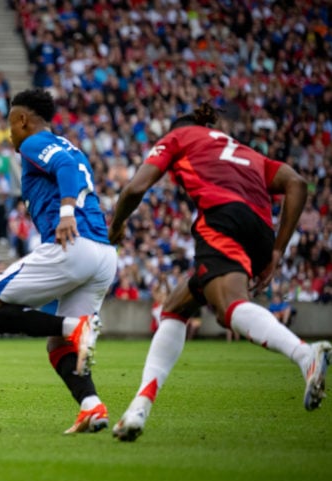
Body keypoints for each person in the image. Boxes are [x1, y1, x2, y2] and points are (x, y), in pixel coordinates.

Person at [108, 103, 332, 442]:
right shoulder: (242, 150)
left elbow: (134, 189)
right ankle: (139, 407)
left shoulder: (178, 137)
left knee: (228, 307)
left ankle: (305, 354)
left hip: (221, 218)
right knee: (176, 305)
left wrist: (117, 224)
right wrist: (276, 251)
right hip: (260, 231)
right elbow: (297, 184)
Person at [0, 89, 117, 434]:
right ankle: (91, 406)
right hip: (102, 253)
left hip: (72, 244)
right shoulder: (71, 145)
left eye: (11, 125)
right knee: (58, 345)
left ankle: (74, 326)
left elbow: (64, 168)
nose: (10, 134)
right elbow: (71, 167)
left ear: (23, 119)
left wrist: (66, 212)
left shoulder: (35, 142)